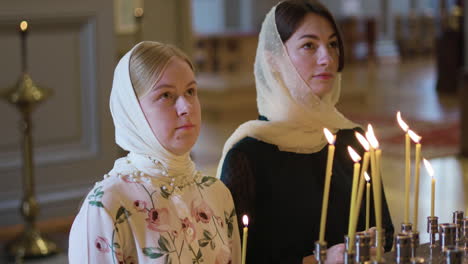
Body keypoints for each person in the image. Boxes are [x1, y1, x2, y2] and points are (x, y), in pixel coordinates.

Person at [217, 1, 394, 263]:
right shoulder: (248, 155)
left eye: (333, 44)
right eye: (309, 45)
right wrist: (317, 260)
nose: (327, 58)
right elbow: (238, 256)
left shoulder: (353, 140)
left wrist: (372, 243)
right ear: (273, 59)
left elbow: (386, 232)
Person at [69, 41, 240, 264]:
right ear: (133, 112)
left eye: (190, 91)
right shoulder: (107, 205)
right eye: (166, 96)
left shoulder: (217, 193)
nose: (186, 107)